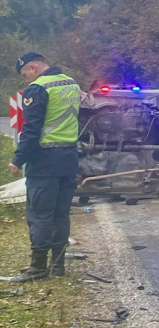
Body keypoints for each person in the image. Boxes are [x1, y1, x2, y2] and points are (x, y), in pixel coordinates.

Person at [6, 52, 81, 282]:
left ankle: (38, 268)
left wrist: (18, 160)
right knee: (60, 214)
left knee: (40, 214)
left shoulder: (38, 88)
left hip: (44, 161)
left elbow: (31, 130)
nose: (25, 79)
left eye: (25, 73)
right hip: (69, 159)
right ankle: (58, 267)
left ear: (33, 67)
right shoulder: (71, 83)